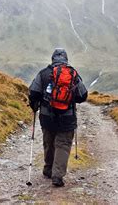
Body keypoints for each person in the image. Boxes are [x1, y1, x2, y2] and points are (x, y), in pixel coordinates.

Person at [28, 48, 88, 187]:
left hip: (47, 116)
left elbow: (33, 92)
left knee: (49, 142)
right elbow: (83, 95)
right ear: (66, 59)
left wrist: (34, 105)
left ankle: (48, 169)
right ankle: (57, 175)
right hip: (67, 117)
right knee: (63, 144)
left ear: (52, 59)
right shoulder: (73, 74)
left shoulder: (43, 73)